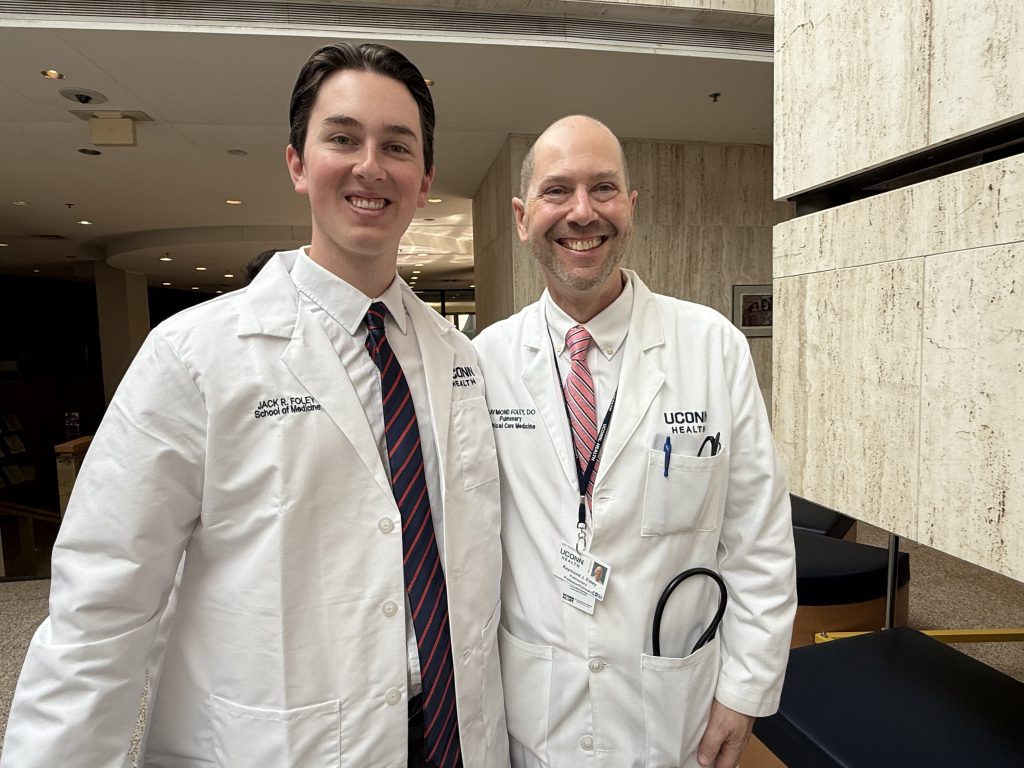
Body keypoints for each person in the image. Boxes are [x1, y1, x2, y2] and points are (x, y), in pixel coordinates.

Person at [1, 43, 507, 768]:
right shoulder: (193, 355)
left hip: (452, 734)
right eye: (342, 139)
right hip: (279, 742)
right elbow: (102, 607)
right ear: (298, 163)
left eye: (397, 146)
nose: (370, 166)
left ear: (424, 181)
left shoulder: (459, 359)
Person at [473, 115, 796, 768]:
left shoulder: (712, 346)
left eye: (604, 188)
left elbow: (758, 537)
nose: (582, 212)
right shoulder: (484, 362)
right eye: (557, 190)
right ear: (522, 217)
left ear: (631, 206)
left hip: (673, 713)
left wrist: (744, 691)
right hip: (538, 712)